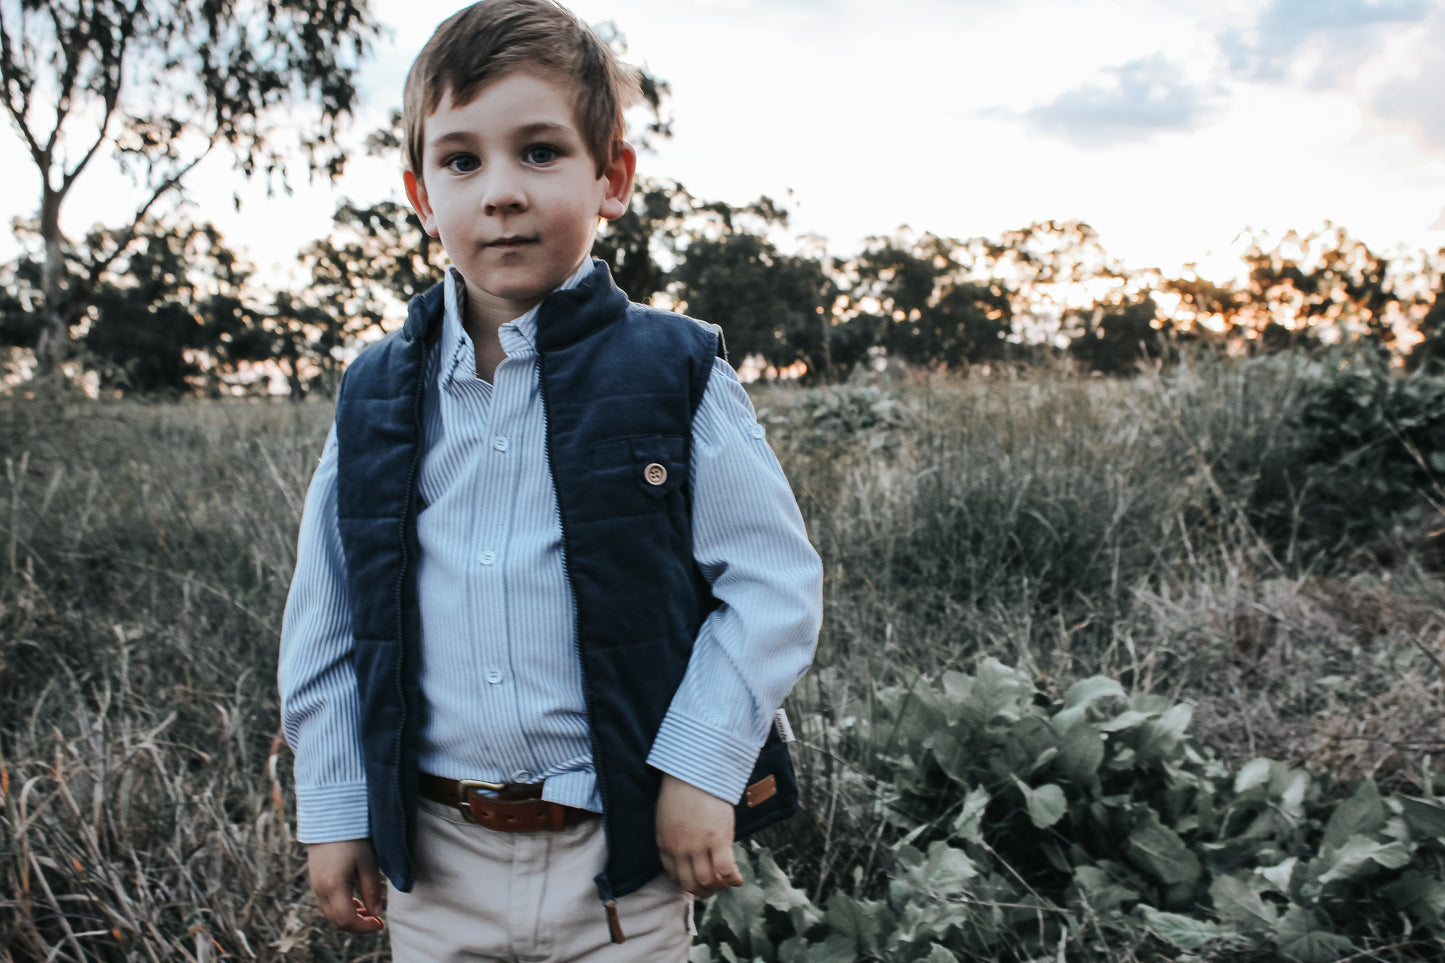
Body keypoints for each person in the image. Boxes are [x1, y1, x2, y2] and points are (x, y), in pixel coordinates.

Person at [276, 0, 823, 958]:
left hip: (619, 857)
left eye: (538, 152)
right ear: (420, 196)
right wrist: (333, 805)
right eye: (461, 160)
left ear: (610, 177)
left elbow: (772, 585)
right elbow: (326, 620)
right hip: (435, 861)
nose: (500, 192)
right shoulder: (372, 395)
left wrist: (700, 770)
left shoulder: (676, 371)